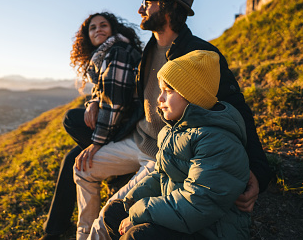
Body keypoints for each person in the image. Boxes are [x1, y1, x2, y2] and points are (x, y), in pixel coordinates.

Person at [73, 0, 271, 240]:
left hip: (163, 152)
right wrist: (97, 110)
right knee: (80, 167)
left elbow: (235, 110)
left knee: (106, 221)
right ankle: (80, 232)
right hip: (137, 138)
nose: (140, 9)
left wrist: (258, 171)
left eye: (148, 2)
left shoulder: (199, 54)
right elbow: (126, 96)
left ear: (169, 7)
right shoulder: (148, 50)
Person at [103, 50, 251, 239]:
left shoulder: (217, 140)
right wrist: (131, 202)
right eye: (160, 90)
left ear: (192, 95)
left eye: (169, 90)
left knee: (138, 235)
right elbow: (161, 174)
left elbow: (198, 203)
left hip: (210, 230)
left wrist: (139, 213)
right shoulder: (173, 130)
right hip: (179, 216)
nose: (160, 98)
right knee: (114, 212)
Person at [40, 12, 143, 240]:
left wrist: (97, 144)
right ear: (87, 36)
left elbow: (115, 103)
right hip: (120, 125)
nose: (98, 29)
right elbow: (104, 94)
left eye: (103, 25)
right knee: (73, 158)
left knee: (71, 119)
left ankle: (115, 177)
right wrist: (93, 101)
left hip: (128, 129)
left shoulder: (118, 52)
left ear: (114, 30)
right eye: (92, 28)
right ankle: (55, 229)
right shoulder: (104, 56)